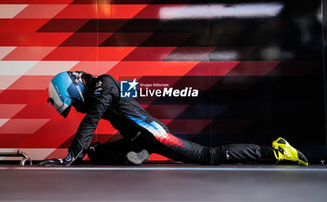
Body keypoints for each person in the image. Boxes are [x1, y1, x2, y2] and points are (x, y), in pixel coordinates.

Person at [39, 71, 309, 166]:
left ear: (74, 88)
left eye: (73, 101)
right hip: (134, 139)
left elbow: (92, 118)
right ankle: (136, 154)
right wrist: (79, 153)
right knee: (96, 153)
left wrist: (69, 158)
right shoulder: (94, 92)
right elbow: (87, 114)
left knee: (209, 156)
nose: (75, 107)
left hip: (155, 134)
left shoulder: (104, 84)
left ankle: (274, 150)